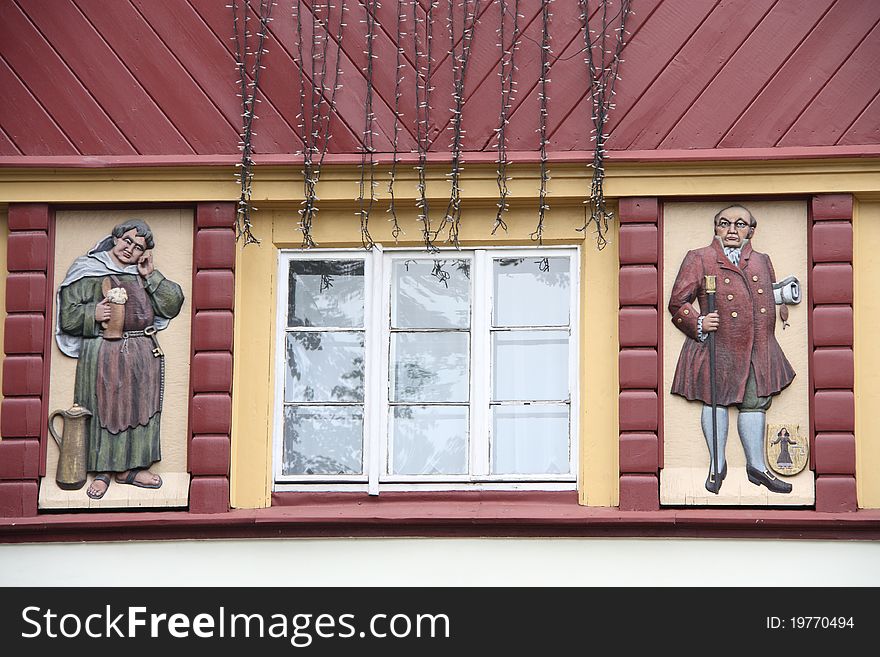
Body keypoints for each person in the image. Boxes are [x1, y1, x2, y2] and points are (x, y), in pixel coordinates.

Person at [668, 205, 794, 495]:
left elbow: (766, 294)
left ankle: (757, 467)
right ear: (716, 228)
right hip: (718, 345)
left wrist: (783, 298)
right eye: (725, 223)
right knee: (715, 402)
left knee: (755, 403)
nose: (732, 230)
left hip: (757, 346)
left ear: (751, 230)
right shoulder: (700, 258)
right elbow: (677, 302)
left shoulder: (762, 260)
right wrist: (698, 321)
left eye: (740, 224)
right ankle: (716, 464)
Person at [56, 220, 184, 500]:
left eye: (139, 247)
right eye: (127, 240)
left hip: (141, 351)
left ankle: (132, 469)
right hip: (102, 351)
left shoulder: (142, 274)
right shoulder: (87, 270)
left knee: (140, 409)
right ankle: (101, 471)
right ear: (115, 238)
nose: (130, 249)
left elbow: (172, 304)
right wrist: (93, 314)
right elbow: (67, 316)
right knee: (103, 409)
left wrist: (151, 275)